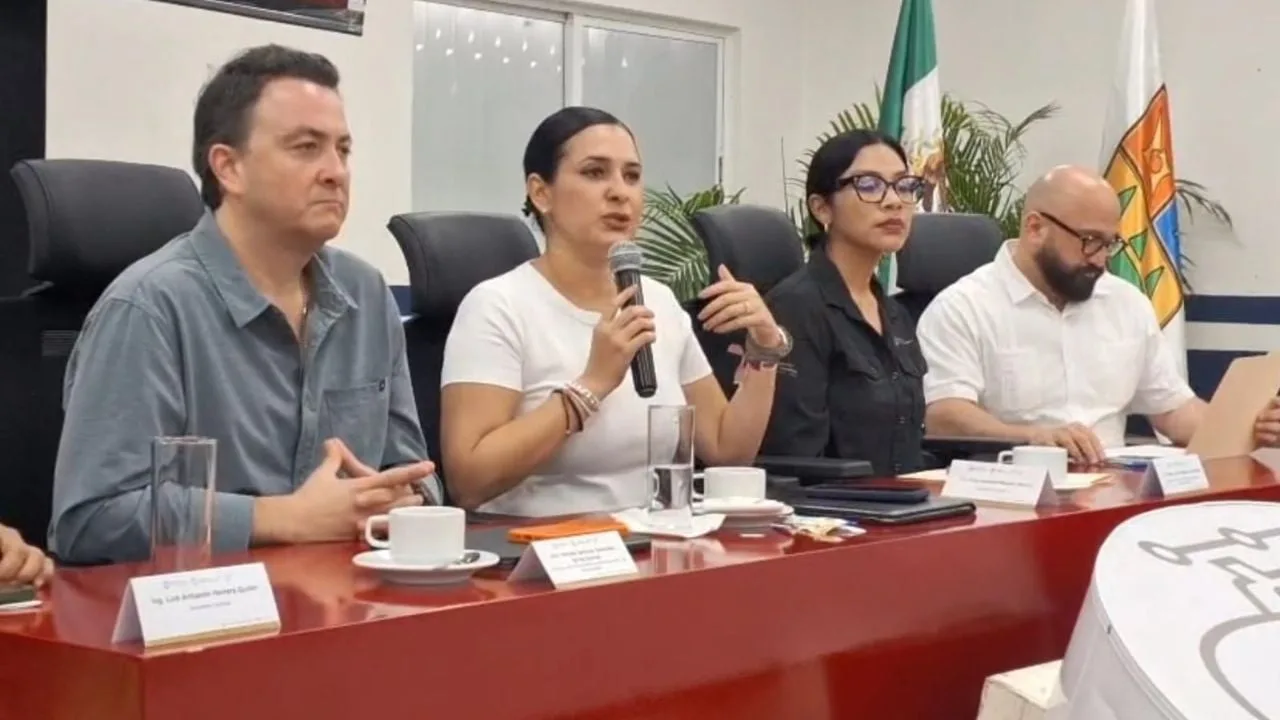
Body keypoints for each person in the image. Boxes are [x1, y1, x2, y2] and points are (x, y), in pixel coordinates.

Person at [50, 45, 436, 565]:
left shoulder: (366, 295)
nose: (336, 172)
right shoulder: (149, 306)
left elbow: (418, 477)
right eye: (306, 147)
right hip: (204, 618)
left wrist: (398, 504)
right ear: (228, 168)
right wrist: (285, 519)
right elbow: (90, 519)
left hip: (350, 606)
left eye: (343, 150)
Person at [438, 106, 791, 515]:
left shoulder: (658, 301)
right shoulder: (498, 306)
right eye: (594, 172)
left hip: (653, 543)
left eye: (633, 176)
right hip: (539, 555)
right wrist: (591, 385)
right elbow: (468, 481)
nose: (620, 192)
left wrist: (765, 347)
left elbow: (728, 450)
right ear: (541, 193)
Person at [917, 164, 1280, 463]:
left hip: (1115, 489)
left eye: (1110, 243)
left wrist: (1246, 425)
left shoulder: (1125, 303)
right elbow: (945, 415)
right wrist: (1034, 439)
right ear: (1035, 228)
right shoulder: (963, 307)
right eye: (1089, 240)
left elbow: (1172, 409)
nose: (1101, 259)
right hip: (1012, 491)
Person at [762, 130, 928, 476]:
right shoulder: (796, 308)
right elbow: (796, 459)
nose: (894, 201)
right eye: (869, 185)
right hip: (836, 516)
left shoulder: (894, 312)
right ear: (822, 208)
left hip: (906, 507)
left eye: (904, 185)